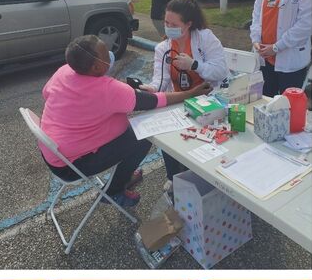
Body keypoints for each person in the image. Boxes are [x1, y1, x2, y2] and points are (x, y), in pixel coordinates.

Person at [40, 36, 212, 208]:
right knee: (143, 136)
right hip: (71, 165)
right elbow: (153, 101)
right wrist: (192, 93)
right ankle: (113, 191)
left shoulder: (64, 71)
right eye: (105, 54)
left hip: (53, 152)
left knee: (131, 132)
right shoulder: (106, 89)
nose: (109, 54)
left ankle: (125, 174)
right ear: (96, 67)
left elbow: (47, 94)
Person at [146, 0, 229, 187]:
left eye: (174, 24)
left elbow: (220, 71)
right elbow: (161, 80)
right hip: (180, 101)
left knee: (202, 145)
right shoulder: (163, 48)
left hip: (208, 101)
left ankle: (203, 177)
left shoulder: (205, 38)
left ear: (189, 24)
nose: (168, 27)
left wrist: (195, 65)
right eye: (166, 22)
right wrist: (150, 90)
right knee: (167, 138)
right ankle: (173, 177)